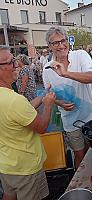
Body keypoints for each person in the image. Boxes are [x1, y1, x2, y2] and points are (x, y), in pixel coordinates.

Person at [0, 45, 56, 200]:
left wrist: (43, 96)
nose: (16, 65)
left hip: (6, 164)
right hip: (25, 167)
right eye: (11, 62)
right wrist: (49, 105)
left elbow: (20, 115)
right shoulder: (15, 101)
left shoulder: (10, 101)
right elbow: (42, 127)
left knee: (9, 194)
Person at [42, 26, 92, 168]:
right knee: (79, 154)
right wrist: (59, 103)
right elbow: (49, 94)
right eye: (55, 43)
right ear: (49, 46)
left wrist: (66, 73)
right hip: (69, 120)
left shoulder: (80, 55)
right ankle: (79, 185)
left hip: (89, 116)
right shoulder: (47, 69)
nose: (61, 46)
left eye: (63, 41)